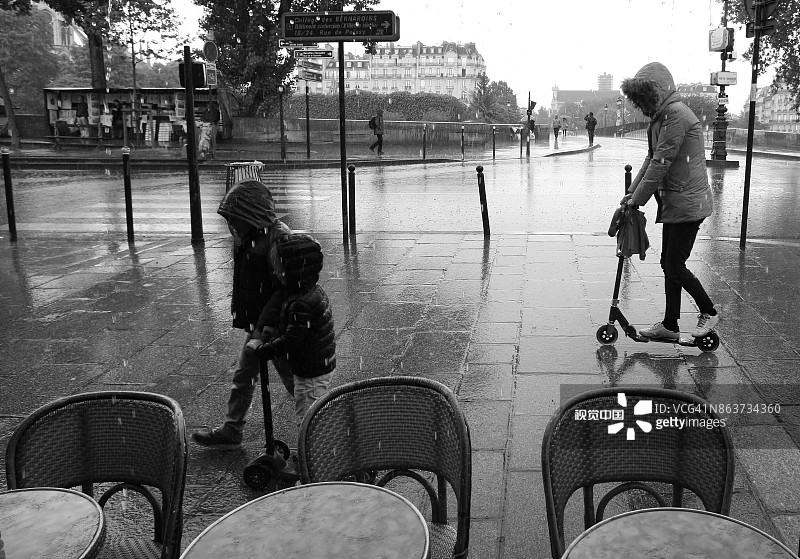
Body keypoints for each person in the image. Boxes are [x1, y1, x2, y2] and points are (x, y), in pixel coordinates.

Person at [620, 61, 719, 341]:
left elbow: (661, 162)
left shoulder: (676, 115)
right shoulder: (661, 117)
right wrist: (633, 193)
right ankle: (670, 324)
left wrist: (637, 199)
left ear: (656, 93)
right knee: (668, 262)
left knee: (674, 265)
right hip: (676, 202)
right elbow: (650, 158)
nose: (641, 106)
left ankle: (709, 311)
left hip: (689, 202)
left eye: (643, 99)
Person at [191, 179, 292, 450]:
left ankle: (325, 427)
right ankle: (232, 428)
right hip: (260, 322)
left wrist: (266, 327)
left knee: (295, 383)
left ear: (252, 215)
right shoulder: (248, 237)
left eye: (237, 217)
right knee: (244, 375)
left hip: (275, 326)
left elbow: (283, 289)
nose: (233, 223)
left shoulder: (276, 238)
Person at [247, 233, 336, 428]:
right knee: (311, 412)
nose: (277, 273)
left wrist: (264, 350)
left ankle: (313, 455)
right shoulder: (308, 292)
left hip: (311, 371)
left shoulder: (301, 303)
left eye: (280, 268)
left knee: (309, 418)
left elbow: (291, 340)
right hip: (314, 365)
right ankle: (313, 451)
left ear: (295, 270)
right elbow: (296, 328)